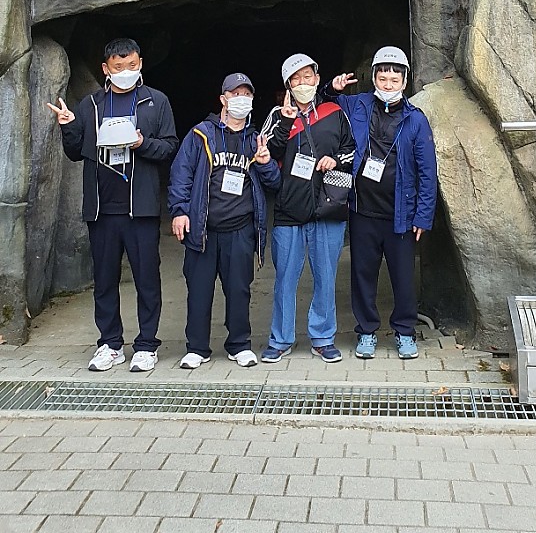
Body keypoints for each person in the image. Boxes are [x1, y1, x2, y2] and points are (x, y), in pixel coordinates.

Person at [49, 36, 178, 373]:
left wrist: (141, 143)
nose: (126, 71)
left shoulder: (156, 101)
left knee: (147, 279)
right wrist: (68, 126)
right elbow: (75, 152)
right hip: (102, 209)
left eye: (132, 65)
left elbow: (169, 147)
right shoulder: (90, 105)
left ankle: (147, 345)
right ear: (106, 69)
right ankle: (110, 344)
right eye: (119, 67)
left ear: (140, 64)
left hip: (141, 208)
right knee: (104, 280)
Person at [324, 46, 437, 361]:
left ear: (404, 81)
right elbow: (322, 105)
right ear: (373, 78)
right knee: (362, 275)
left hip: (401, 214)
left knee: (403, 278)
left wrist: (423, 216)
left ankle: (405, 331)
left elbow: (428, 172)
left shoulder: (416, 119)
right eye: (383, 78)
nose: (388, 85)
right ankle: (367, 331)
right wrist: (331, 88)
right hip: (363, 210)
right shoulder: (357, 105)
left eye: (394, 80)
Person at [168, 71, 280, 368]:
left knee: (239, 291)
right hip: (203, 228)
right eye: (235, 94)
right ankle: (197, 348)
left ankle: (239, 345)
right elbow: (181, 174)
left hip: (240, 230)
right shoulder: (201, 134)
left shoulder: (256, 140)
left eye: (247, 95)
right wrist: (179, 210)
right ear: (223, 99)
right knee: (199, 291)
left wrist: (266, 162)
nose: (241, 100)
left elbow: (274, 183)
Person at [261, 52, 355, 363]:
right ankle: (280, 339)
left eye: (307, 76)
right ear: (288, 84)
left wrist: (335, 160)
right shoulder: (277, 116)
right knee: (285, 279)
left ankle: (323, 338)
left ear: (317, 78)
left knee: (326, 278)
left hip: (327, 207)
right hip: (289, 208)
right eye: (296, 78)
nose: (303, 83)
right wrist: (286, 121)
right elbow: (268, 154)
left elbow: (351, 150)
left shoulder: (334, 112)